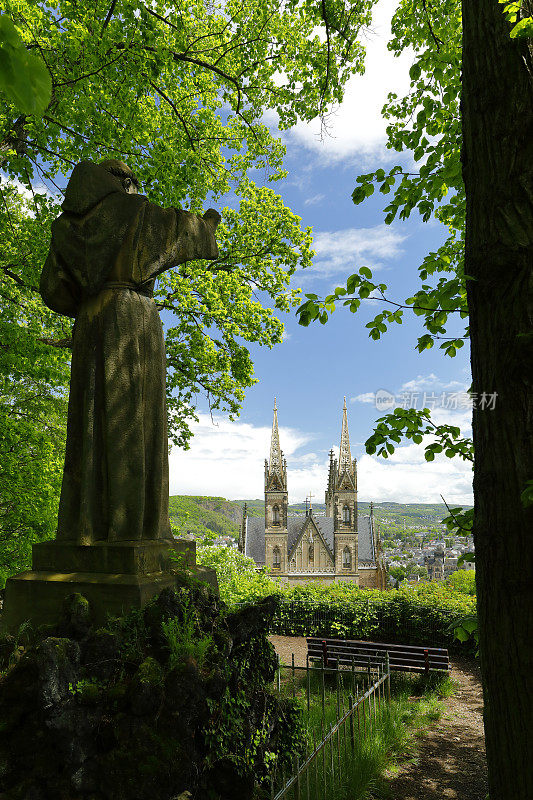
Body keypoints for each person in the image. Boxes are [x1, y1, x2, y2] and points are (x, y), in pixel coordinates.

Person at [40, 159, 220, 543]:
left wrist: (88, 298)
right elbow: (182, 230)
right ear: (123, 183)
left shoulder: (65, 227)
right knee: (136, 420)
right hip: (132, 317)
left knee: (89, 425)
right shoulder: (135, 210)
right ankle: (135, 530)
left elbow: (53, 289)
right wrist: (208, 226)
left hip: (90, 321)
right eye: (133, 183)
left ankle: (84, 530)